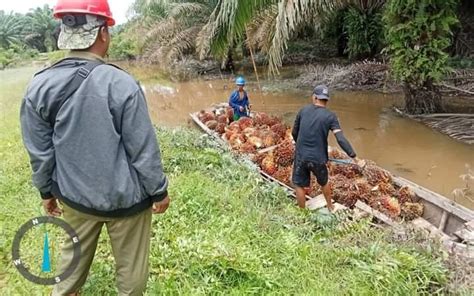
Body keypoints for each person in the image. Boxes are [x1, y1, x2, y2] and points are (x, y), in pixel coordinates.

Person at [19, 0, 170, 295]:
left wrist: (46, 192)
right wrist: (159, 191)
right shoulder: (122, 84)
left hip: (75, 198)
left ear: (65, 32)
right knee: (131, 272)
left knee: (69, 263)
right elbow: (143, 149)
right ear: (103, 33)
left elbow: (39, 152)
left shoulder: (38, 87)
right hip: (128, 202)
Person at [291, 85, 363, 211]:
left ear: (314, 97)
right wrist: (355, 157)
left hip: (301, 155)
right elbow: (340, 139)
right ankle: (330, 206)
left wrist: (299, 145)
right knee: (324, 182)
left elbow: (294, 132)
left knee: (299, 184)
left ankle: (301, 213)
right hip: (318, 158)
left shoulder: (303, 110)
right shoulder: (331, 116)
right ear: (326, 100)